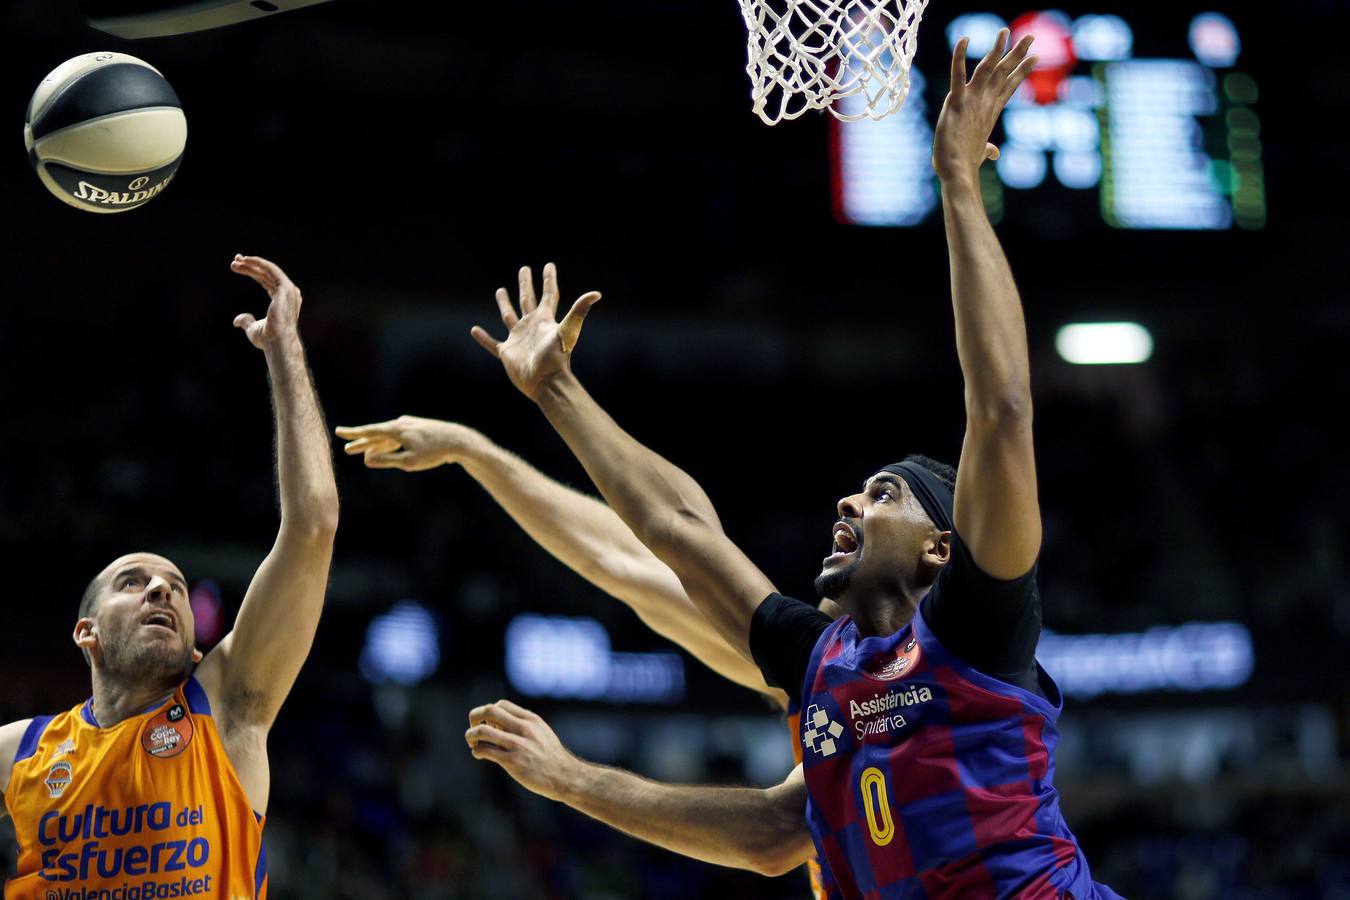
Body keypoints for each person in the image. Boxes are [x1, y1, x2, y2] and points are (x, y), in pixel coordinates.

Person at [466, 30, 1121, 899]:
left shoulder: (978, 629)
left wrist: (959, 181)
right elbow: (677, 530)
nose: (849, 501)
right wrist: (554, 392)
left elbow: (999, 413)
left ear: (940, 549)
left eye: (883, 494)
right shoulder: (817, 662)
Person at [332, 416, 836, 895]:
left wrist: (569, 778)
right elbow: (625, 559)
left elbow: (774, 833)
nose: (848, 510)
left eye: (882, 495)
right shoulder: (819, 677)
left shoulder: (903, 693)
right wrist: (477, 453)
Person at [0, 255, 340, 899]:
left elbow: (313, 525)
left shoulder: (228, 707)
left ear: (194, 647)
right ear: (87, 633)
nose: (161, 589)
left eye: (176, 588)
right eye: (133, 582)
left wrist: (284, 350)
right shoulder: (25, 750)